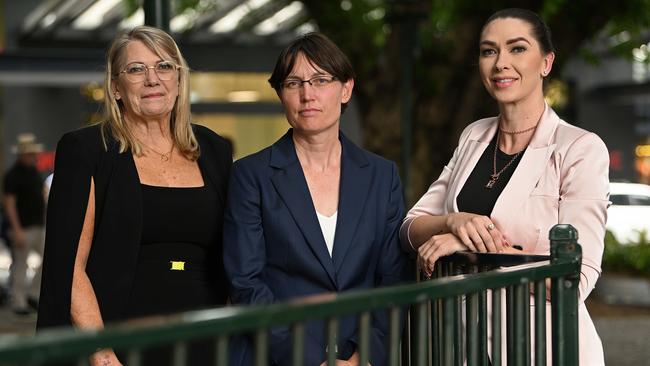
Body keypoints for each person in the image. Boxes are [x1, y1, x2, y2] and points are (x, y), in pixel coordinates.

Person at [400, 8, 607, 365]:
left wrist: (474, 248)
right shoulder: (474, 136)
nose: (500, 63)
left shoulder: (579, 148)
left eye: (517, 49)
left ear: (546, 62)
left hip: (542, 346)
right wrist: (453, 222)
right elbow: (410, 228)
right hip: (461, 343)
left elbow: (577, 280)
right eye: (488, 51)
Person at [36, 26, 232, 365]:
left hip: (206, 338)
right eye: (136, 69)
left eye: (164, 66)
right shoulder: (87, 150)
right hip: (120, 341)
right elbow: (68, 266)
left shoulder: (212, 148)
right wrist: (100, 351)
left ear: (179, 79)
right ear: (115, 87)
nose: (152, 79)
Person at [223, 32, 412, 366]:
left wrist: (363, 354)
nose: (307, 94)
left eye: (320, 80)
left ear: (346, 88)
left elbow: (393, 278)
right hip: (276, 356)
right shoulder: (250, 176)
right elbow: (247, 284)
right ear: (281, 94)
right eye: (293, 83)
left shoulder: (382, 176)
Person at [2, 133, 46, 315]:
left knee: (49, 258)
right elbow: (9, 204)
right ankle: (19, 302)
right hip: (22, 227)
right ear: (21, 154)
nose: (32, 156)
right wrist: (17, 229)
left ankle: (33, 295)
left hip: (38, 225)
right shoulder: (12, 175)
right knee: (20, 264)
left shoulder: (35, 172)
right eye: (28, 153)